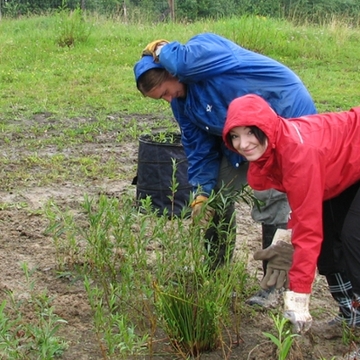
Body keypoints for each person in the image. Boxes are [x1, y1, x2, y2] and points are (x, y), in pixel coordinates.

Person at [132, 32, 355, 314]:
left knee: (273, 202)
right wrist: (201, 192)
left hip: (284, 118)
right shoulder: (182, 103)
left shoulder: (204, 50)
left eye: (165, 91)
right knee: (215, 199)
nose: (167, 99)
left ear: (171, 69)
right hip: (240, 140)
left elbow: (186, 63)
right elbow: (198, 148)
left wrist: (163, 48)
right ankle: (215, 269)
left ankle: (271, 285)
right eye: (159, 98)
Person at [222, 93, 360, 333]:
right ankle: (352, 315)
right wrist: (287, 241)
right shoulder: (272, 150)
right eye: (235, 136)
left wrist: (299, 294)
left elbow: (309, 228)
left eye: (250, 132)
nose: (242, 144)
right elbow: (303, 204)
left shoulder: (298, 153)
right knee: (327, 246)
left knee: (354, 238)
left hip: (351, 159)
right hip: (343, 170)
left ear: (266, 126)